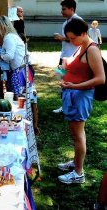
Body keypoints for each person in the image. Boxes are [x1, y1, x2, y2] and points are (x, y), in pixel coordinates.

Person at [57, 18, 105, 184]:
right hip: (72, 94)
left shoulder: (92, 50)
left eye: (73, 38)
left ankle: (78, 173)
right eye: (69, 38)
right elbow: (72, 65)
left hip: (81, 97)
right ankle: (76, 162)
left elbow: (100, 78)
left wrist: (76, 86)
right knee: (74, 133)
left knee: (78, 135)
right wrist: (64, 71)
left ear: (84, 34)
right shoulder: (80, 46)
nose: (71, 41)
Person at [53, 0, 82, 114]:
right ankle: (65, 106)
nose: (62, 12)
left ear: (72, 9)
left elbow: (80, 39)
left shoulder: (77, 21)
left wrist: (63, 38)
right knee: (61, 80)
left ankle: (72, 106)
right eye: (62, 9)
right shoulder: (66, 22)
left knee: (72, 82)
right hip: (64, 55)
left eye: (64, 9)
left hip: (73, 57)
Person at [0, 16, 25, 101]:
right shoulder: (12, 36)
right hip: (21, 68)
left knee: (17, 95)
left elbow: (9, 56)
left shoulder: (9, 37)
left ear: (1, 26)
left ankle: (20, 112)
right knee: (18, 93)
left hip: (19, 69)